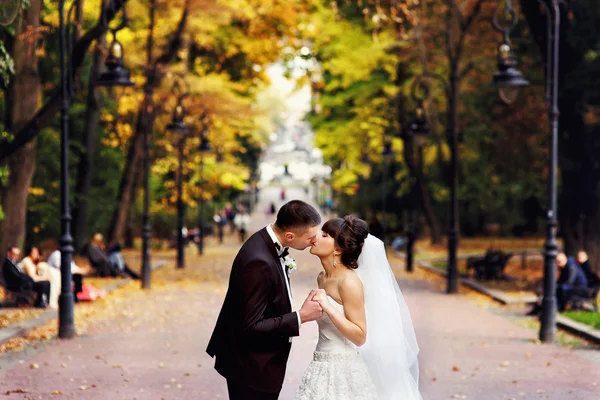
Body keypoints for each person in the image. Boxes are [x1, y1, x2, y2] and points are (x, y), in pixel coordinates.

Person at [206, 200, 324, 400]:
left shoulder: (267, 243)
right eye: (310, 238)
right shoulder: (258, 261)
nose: (314, 241)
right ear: (289, 236)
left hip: (256, 364)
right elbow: (250, 326)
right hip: (250, 368)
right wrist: (300, 317)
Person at [296, 216, 421, 400]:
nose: (315, 238)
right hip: (320, 365)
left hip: (343, 370)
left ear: (338, 249)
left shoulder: (350, 282)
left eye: (324, 235)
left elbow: (360, 335)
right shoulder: (322, 278)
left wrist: (328, 307)